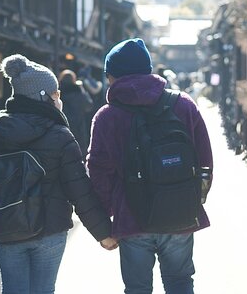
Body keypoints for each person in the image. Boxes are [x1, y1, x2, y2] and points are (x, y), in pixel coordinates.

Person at [0, 54, 117, 294]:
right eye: (55, 93)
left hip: (8, 227)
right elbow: (79, 189)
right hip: (50, 229)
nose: (58, 98)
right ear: (43, 96)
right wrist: (104, 233)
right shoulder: (60, 135)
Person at [87, 38, 213, 294]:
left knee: (137, 289)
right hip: (180, 213)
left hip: (131, 218)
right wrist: (193, 199)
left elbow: (98, 173)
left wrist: (106, 219)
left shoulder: (107, 116)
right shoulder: (183, 104)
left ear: (112, 76)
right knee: (180, 283)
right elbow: (205, 161)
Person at [58, 69, 94, 158]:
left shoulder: (58, 93)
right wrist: (82, 89)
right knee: (79, 153)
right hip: (79, 126)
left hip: (63, 126)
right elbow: (89, 105)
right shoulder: (79, 92)